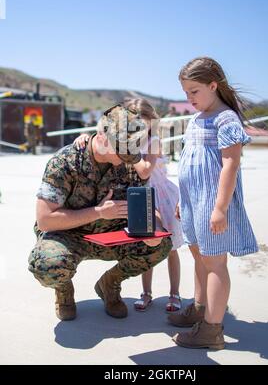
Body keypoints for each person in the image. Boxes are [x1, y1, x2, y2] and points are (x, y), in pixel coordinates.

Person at [28, 104, 172, 321]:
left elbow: (148, 206)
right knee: (46, 265)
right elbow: (46, 220)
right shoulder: (65, 162)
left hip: (110, 237)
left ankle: (109, 284)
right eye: (121, 152)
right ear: (104, 138)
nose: (126, 159)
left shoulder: (131, 164)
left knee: (161, 245)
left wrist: (155, 228)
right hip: (67, 235)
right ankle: (64, 289)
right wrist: (98, 213)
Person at [169, 57, 258, 350]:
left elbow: (230, 165)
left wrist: (220, 208)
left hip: (212, 201)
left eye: (194, 91)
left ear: (213, 85)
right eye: (186, 93)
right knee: (198, 255)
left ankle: (212, 329)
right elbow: (188, 162)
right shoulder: (196, 119)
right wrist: (182, 199)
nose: (189, 99)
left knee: (215, 261)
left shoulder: (225, 118)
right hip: (193, 200)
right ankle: (199, 307)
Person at [74, 99, 184, 313]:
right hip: (137, 194)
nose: (139, 129)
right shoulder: (126, 140)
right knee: (145, 241)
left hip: (159, 195)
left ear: (152, 121)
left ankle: (174, 293)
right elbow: (101, 143)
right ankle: (147, 292)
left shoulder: (153, 142)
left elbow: (145, 171)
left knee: (170, 248)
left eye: (142, 124)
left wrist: (126, 149)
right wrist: (86, 137)